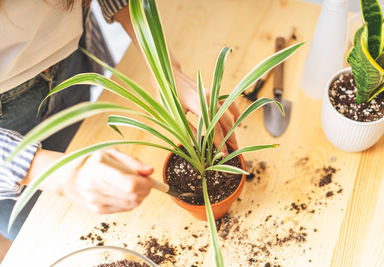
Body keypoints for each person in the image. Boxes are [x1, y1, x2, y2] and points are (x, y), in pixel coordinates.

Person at [0, 0, 239, 241]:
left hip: (71, 59)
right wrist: (53, 173)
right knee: (45, 236)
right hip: (6, 144)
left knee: (86, 145)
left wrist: (165, 69)